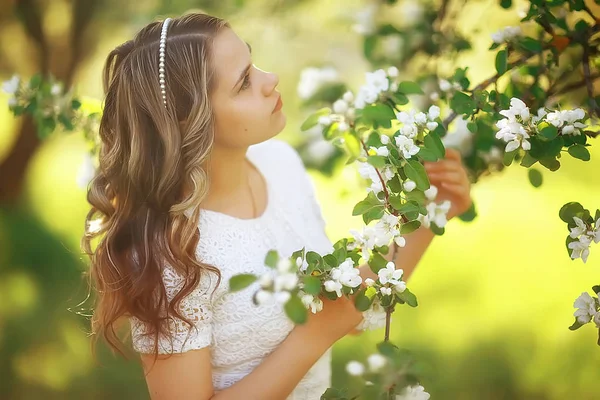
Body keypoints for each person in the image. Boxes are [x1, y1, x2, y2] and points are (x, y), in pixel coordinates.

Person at [82, 12, 472, 400]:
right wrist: (314, 335)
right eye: (244, 82)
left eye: (252, 62)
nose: (270, 80)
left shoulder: (280, 163)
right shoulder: (171, 256)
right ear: (191, 123)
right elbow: (325, 323)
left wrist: (432, 212)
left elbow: (345, 309)